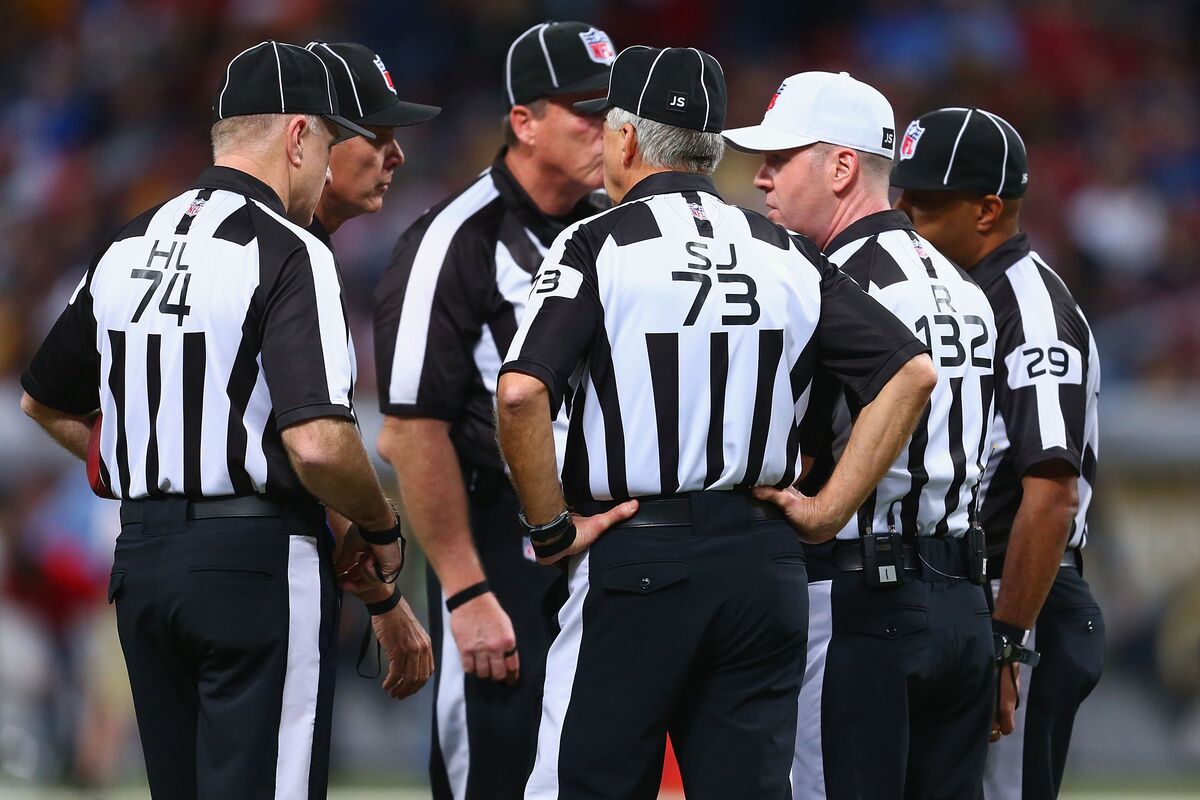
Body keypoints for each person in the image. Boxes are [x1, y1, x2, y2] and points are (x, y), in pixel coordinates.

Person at [497, 45, 937, 799]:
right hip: (764, 568)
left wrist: (550, 529)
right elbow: (910, 372)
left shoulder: (596, 241)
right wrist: (827, 513)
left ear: (627, 139)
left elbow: (519, 394)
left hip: (640, 555)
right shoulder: (784, 250)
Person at [18, 40, 431, 799]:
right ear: (300, 136)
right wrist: (381, 525)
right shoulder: (290, 249)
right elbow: (317, 444)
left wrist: (135, 458)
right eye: (333, 141)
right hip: (257, 563)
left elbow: (42, 398)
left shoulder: (127, 241)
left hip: (144, 561)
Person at [724, 71, 998, 799]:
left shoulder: (822, 283)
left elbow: (796, 451)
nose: (761, 178)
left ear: (842, 167)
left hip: (857, 599)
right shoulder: (964, 286)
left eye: (781, 159)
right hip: (964, 605)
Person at [372, 20, 615, 800]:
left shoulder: (624, 225)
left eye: (615, 110)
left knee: (604, 769)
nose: (606, 128)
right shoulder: (454, 240)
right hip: (503, 542)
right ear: (524, 120)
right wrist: (467, 591)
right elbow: (411, 432)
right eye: (585, 110)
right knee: (498, 766)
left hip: (611, 534)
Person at [892, 107, 1105, 800]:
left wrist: (1009, 641)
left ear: (987, 209)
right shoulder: (959, 292)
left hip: (1020, 594)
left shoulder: (1031, 305)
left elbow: (1050, 490)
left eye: (926, 202)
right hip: (967, 591)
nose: (903, 211)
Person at [304, 41, 441, 242]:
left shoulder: (298, 248)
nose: (398, 157)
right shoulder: (270, 254)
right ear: (313, 139)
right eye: (378, 137)